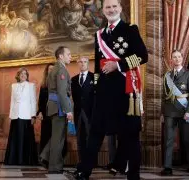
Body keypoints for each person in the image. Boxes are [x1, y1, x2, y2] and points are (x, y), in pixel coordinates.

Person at [74, 0, 148, 179]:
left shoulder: (130, 30)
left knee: (130, 135)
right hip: (104, 93)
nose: (111, 9)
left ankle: (134, 175)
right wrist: (96, 87)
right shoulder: (99, 34)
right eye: (108, 7)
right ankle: (84, 171)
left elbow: (142, 56)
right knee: (95, 133)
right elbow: (98, 67)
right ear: (103, 11)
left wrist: (119, 65)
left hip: (125, 91)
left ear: (120, 9)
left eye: (114, 6)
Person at [39, 46, 73, 174]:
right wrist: (68, 110)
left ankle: (45, 155)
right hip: (59, 106)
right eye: (68, 54)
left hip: (54, 105)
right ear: (61, 56)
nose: (71, 56)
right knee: (58, 138)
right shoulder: (61, 70)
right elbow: (62, 92)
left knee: (56, 136)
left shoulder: (55, 69)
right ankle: (54, 167)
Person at [161, 50, 189, 175]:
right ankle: (167, 167)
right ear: (171, 59)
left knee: (187, 138)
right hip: (170, 111)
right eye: (174, 57)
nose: (177, 59)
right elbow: (164, 95)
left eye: (179, 56)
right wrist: (162, 112)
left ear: (182, 58)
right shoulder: (167, 75)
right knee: (169, 139)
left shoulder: (188, 73)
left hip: (184, 110)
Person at [4, 67, 38, 165]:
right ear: (18, 76)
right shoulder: (13, 86)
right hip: (15, 115)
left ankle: (24, 160)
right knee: (15, 138)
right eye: (21, 74)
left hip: (26, 115)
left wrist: (33, 116)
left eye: (25, 74)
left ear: (27, 76)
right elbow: (12, 101)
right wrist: (10, 116)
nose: (23, 75)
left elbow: (33, 101)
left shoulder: (31, 85)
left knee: (25, 138)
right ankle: (13, 160)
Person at [71, 57, 94, 163]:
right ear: (78, 64)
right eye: (80, 62)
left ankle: (91, 162)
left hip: (90, 113)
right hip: (77, 112)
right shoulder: (73, 79)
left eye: (85, 62)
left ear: (88, 64)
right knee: (80, 139)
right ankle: (81, 161)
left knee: (91, 138)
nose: (83, 64)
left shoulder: (94, 77)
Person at [37, 63, 54, 154]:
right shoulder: (43, 85)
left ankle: (53, 158)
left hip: (55, 114)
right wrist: (39, 112)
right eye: (49, 69)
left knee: (54, 136)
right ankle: (43, 159)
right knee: (45, 135)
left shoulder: (59, 82)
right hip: (45, 114)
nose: (51, 70)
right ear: (47, 71)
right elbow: (40, 101)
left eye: (53, 69)